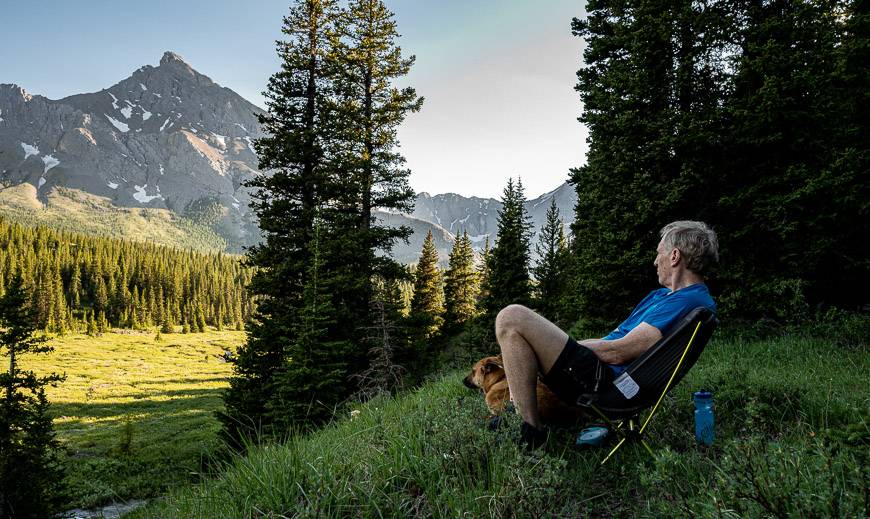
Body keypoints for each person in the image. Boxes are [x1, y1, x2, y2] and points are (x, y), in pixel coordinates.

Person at [495, 220, 719, 449]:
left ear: (674, 256)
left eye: (658, 253)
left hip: (607, 383)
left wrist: (555, 347)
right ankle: (521, 420)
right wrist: (550, 346)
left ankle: (531, 434)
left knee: (511, 316)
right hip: (599, 371)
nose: (655, 261)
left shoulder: (688, 301)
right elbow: (612, 342)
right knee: (515, 330)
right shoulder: (664, 297)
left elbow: (618, 352)